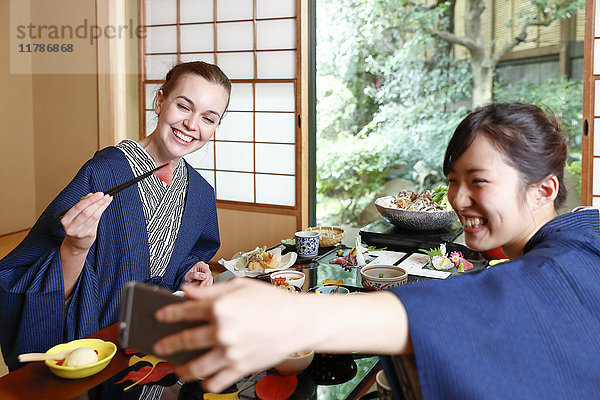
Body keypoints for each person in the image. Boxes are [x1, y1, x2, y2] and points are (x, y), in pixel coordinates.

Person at [152, 103, 600, 398]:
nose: (458, 199)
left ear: (544, 190)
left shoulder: (571, 258)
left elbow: (509, 301)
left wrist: (296, 318)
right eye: (453, 181)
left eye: (478, 181)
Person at [0, 61, 231, 371]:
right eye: (183, 106)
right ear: (160, 101)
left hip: (158, 349)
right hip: (98, 348)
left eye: (208, 118)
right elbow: (30, 277)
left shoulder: (200, 193)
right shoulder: (104, 172)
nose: (192, 124)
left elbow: (180, 260)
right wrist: (75, 248)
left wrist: (189, 274)